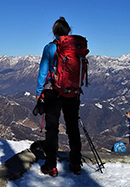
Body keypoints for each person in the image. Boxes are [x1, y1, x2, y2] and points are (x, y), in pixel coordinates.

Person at [36, 17, 83, 176]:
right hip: (72, 92)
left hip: (53, 92)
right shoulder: (77, 48)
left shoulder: (50, 48)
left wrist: (38, 92)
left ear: (54, 31)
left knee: (52, 130)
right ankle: (76, 163)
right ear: (68, 31)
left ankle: (51, 166)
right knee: (73, 128)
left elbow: (43, 72)